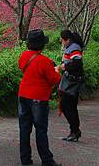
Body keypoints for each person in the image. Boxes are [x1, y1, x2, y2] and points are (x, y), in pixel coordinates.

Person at [17, 29, 62, 166]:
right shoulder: (44, 61)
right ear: (42, 45)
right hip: (38, 98)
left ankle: (25, 160)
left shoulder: (24, 56)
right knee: (41, 130)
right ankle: (47, 160)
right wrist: (57, 70)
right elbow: (55, 79)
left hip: (23, 95)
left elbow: (22, 67)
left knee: (24, 129)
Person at [57, 29, 85, 142]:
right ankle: (74, 131)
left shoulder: (74, 48)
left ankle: (75, 131)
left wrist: (64, 67)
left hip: (73, 83)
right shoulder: (71, 47)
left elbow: (77, 64)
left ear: (67, 39)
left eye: (62, 40)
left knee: (68, 106)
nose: (61, 42)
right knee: (69, 107)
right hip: (70, 82)